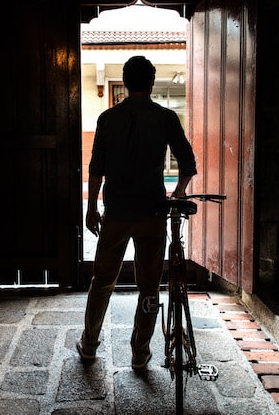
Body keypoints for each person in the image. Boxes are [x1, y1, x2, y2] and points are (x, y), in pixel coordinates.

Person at [77, 55, 198, 370]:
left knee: (102, 280)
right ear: (152, 81)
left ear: (126, 83)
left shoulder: (107, 119)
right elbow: (188, 164)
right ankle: (140, 354)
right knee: (148, 285)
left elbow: (95, 169)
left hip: (116, 212)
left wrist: (91, 208)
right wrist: (179, 191)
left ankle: (89, 345)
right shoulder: (166, 117)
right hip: (152, 213)